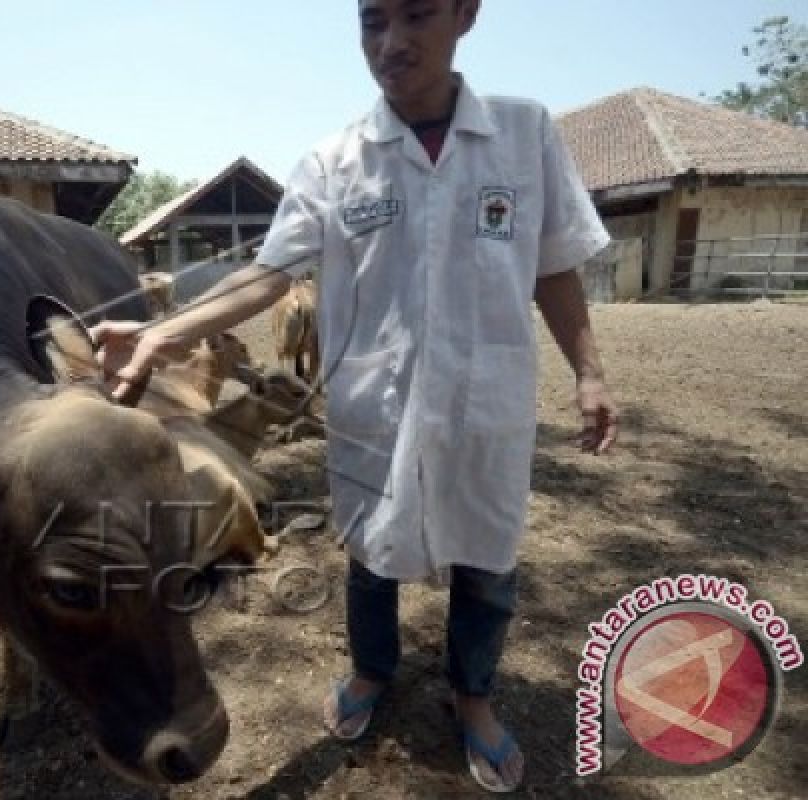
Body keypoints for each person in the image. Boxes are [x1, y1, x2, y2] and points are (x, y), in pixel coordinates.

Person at [92, 0, 618, 792]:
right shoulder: (335, 161)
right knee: (372, 550)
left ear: (466, 14)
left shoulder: (524, 134)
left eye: (417, 15)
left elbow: (554, 264)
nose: (391, 42)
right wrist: (168, 330)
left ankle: (474, 696)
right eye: (372, 21)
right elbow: (269, 274)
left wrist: (589, 372)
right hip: (378, 408)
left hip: (485, 405)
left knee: (488, 560)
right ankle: (372, 670)